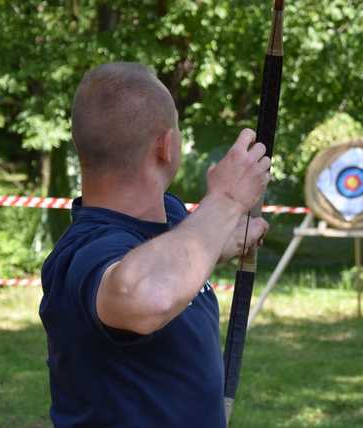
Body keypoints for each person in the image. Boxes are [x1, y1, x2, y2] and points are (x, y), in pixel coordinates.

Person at [40, 62, 270, 428]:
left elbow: (187, 253)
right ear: (167, 145)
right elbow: (148, 293)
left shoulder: (173, 218)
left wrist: (242, 231)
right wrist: (226, 198)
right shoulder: (83, 254)